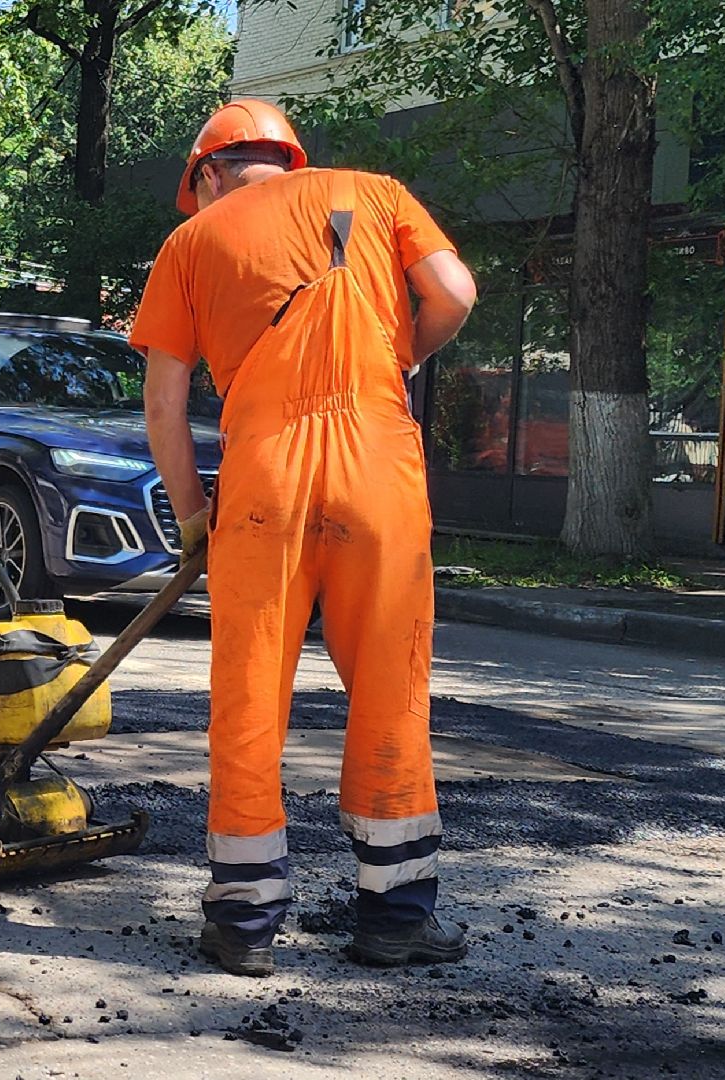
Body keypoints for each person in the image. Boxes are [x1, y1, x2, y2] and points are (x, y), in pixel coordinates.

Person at [132, 100, 478, 975]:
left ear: (208, 175)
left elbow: (164, 406)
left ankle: (244, 927)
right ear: (286, 158)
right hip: (379, 472)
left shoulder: (190, 245)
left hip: (265, 484)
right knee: (391, 688)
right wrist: (394, 361)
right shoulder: (378, 194)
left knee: (249, 698)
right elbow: (457, 294)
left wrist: (192, 515)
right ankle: (395, 917)